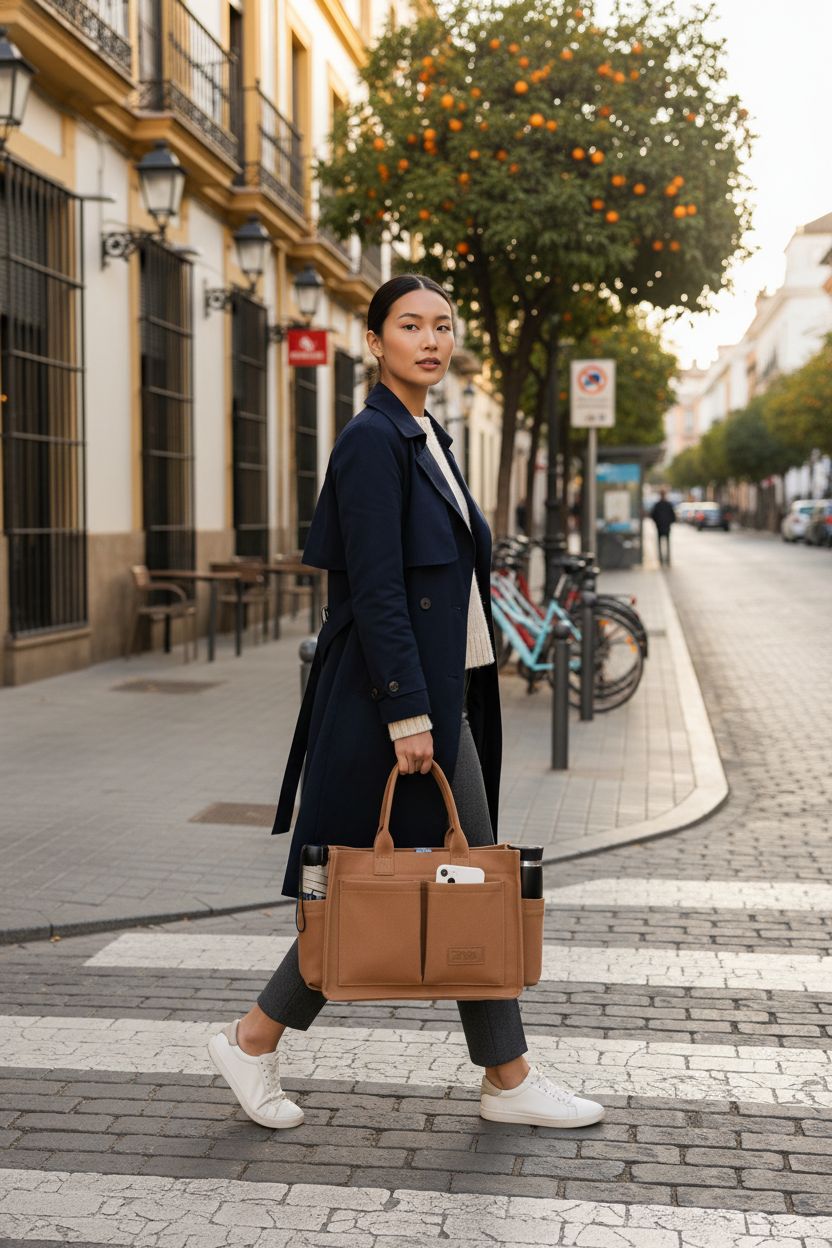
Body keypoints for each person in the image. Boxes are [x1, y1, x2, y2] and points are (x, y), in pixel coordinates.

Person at [207, 274, 604, 1132]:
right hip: (396, 700)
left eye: (443, 326)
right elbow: (379, 587)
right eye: (410, 325)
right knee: (438, 877)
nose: (431, 339)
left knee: (447, 875)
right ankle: (501, 1076)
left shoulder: (428, 434)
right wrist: (406, 713)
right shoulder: (370, 440)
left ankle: (264, 1043)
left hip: (438, 687)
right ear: (376, 340)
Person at [651, 488, 676, 566]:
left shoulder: (657, 505)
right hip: (666, 526)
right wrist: (669, 523)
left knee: (660, 543)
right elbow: (673, 516)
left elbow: (653, 515)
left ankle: (662, 559)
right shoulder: (668, 504)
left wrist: (657, 523)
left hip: (660, 527)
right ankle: (667, 559)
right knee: (667, 543)